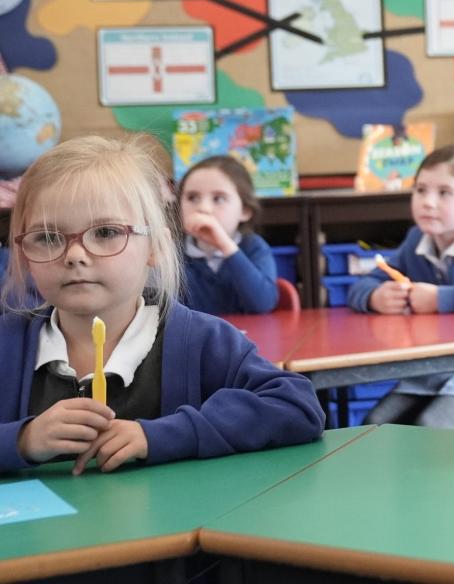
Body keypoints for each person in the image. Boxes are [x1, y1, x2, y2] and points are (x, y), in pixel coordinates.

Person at [0, 135, 324, 473]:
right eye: (48, 238)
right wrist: (21, 439)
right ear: (23, 253)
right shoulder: (8, 344)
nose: (75, 255)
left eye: (107, 232)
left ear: (154, 246)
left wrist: (162, 436)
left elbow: (297, 406)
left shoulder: (201, 340)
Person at [348, 145, 454, 426]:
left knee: (431, 426)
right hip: (427, 372)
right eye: (420, 190)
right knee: (374, 424)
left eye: (444, 193)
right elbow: (364, 284)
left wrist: (441, 298)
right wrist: (374, 296)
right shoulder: (416, 241)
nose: (427, 202)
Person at [179, 155, 278, 315]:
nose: (203, 208)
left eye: (218, 199)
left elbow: (263, 303)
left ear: (245, 211)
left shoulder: (253, 246)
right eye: (192, 198)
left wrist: (226, 247)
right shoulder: (174, 253)